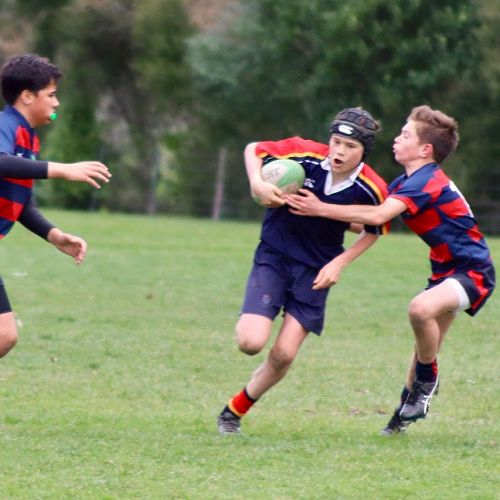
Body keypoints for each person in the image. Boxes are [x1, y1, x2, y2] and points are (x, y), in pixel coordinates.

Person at [285, 105, 495, 435]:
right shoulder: (406, 182)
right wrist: (309, 209)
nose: (396, 139)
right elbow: (366, 221)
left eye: (405, 135)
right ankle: (399, 422)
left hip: (473, 271)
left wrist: (321, 207)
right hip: (445, 270)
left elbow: (379, 216)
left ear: (425, 149)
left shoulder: (426, 182)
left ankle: (427, 380)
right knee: (425, 349)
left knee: (419, 310)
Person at [216, 107, 390, 434]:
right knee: (250, 342)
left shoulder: (373, 187)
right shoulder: (304, 155)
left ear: (364, 151)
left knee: (283, 355)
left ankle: (232, 412)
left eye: (350, 147)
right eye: (336, 141)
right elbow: (253, 148)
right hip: (275, 256)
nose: (339, 151)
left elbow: (376, 227)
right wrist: (258, 185)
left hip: (316, 271)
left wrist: (339, 262)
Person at [0, 53, 111, 360]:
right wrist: (62, 169)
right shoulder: (5, 125)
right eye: (51, 95)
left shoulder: (28, 139)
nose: (56, 103)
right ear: (26, 96)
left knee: (4, 335)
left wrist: (54, 235)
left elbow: (20, 201)